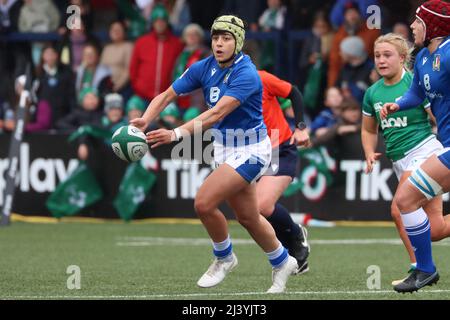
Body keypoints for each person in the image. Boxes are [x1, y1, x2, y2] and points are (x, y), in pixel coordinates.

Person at [131, 15, 299, 293]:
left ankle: (224, 257)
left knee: (204, 203)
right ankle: (283, 262)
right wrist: (145, 119)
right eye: (216, 38)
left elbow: (216, 113)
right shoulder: (204, 66)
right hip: (224, 148)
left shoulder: (247, 74)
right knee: (248, 217)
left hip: (251, 150)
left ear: (239, 42)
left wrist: (175, 134)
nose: (219, 44)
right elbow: (167, 94)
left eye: (227, 38)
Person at [362, 33, 450, 287]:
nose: (381, 60)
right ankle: (424, 267)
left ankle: (419, 269)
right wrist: (369, 152)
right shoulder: (372, 93)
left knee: (399, 207)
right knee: (433, 230)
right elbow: (369, 130)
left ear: (402, 58)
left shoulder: (416, 82)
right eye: (377, 55)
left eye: (387, 55)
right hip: (401, 162)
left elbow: (436, 116)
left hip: (425, 152)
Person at [257, 70, 311, 274]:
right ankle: (291, 252)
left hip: (279, 148)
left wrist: (300, 127)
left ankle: (296, 235)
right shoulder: (220, 85)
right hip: (247, 153)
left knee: (261, 205)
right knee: (248, 212)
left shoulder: (261, 78)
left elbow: (293, 93)